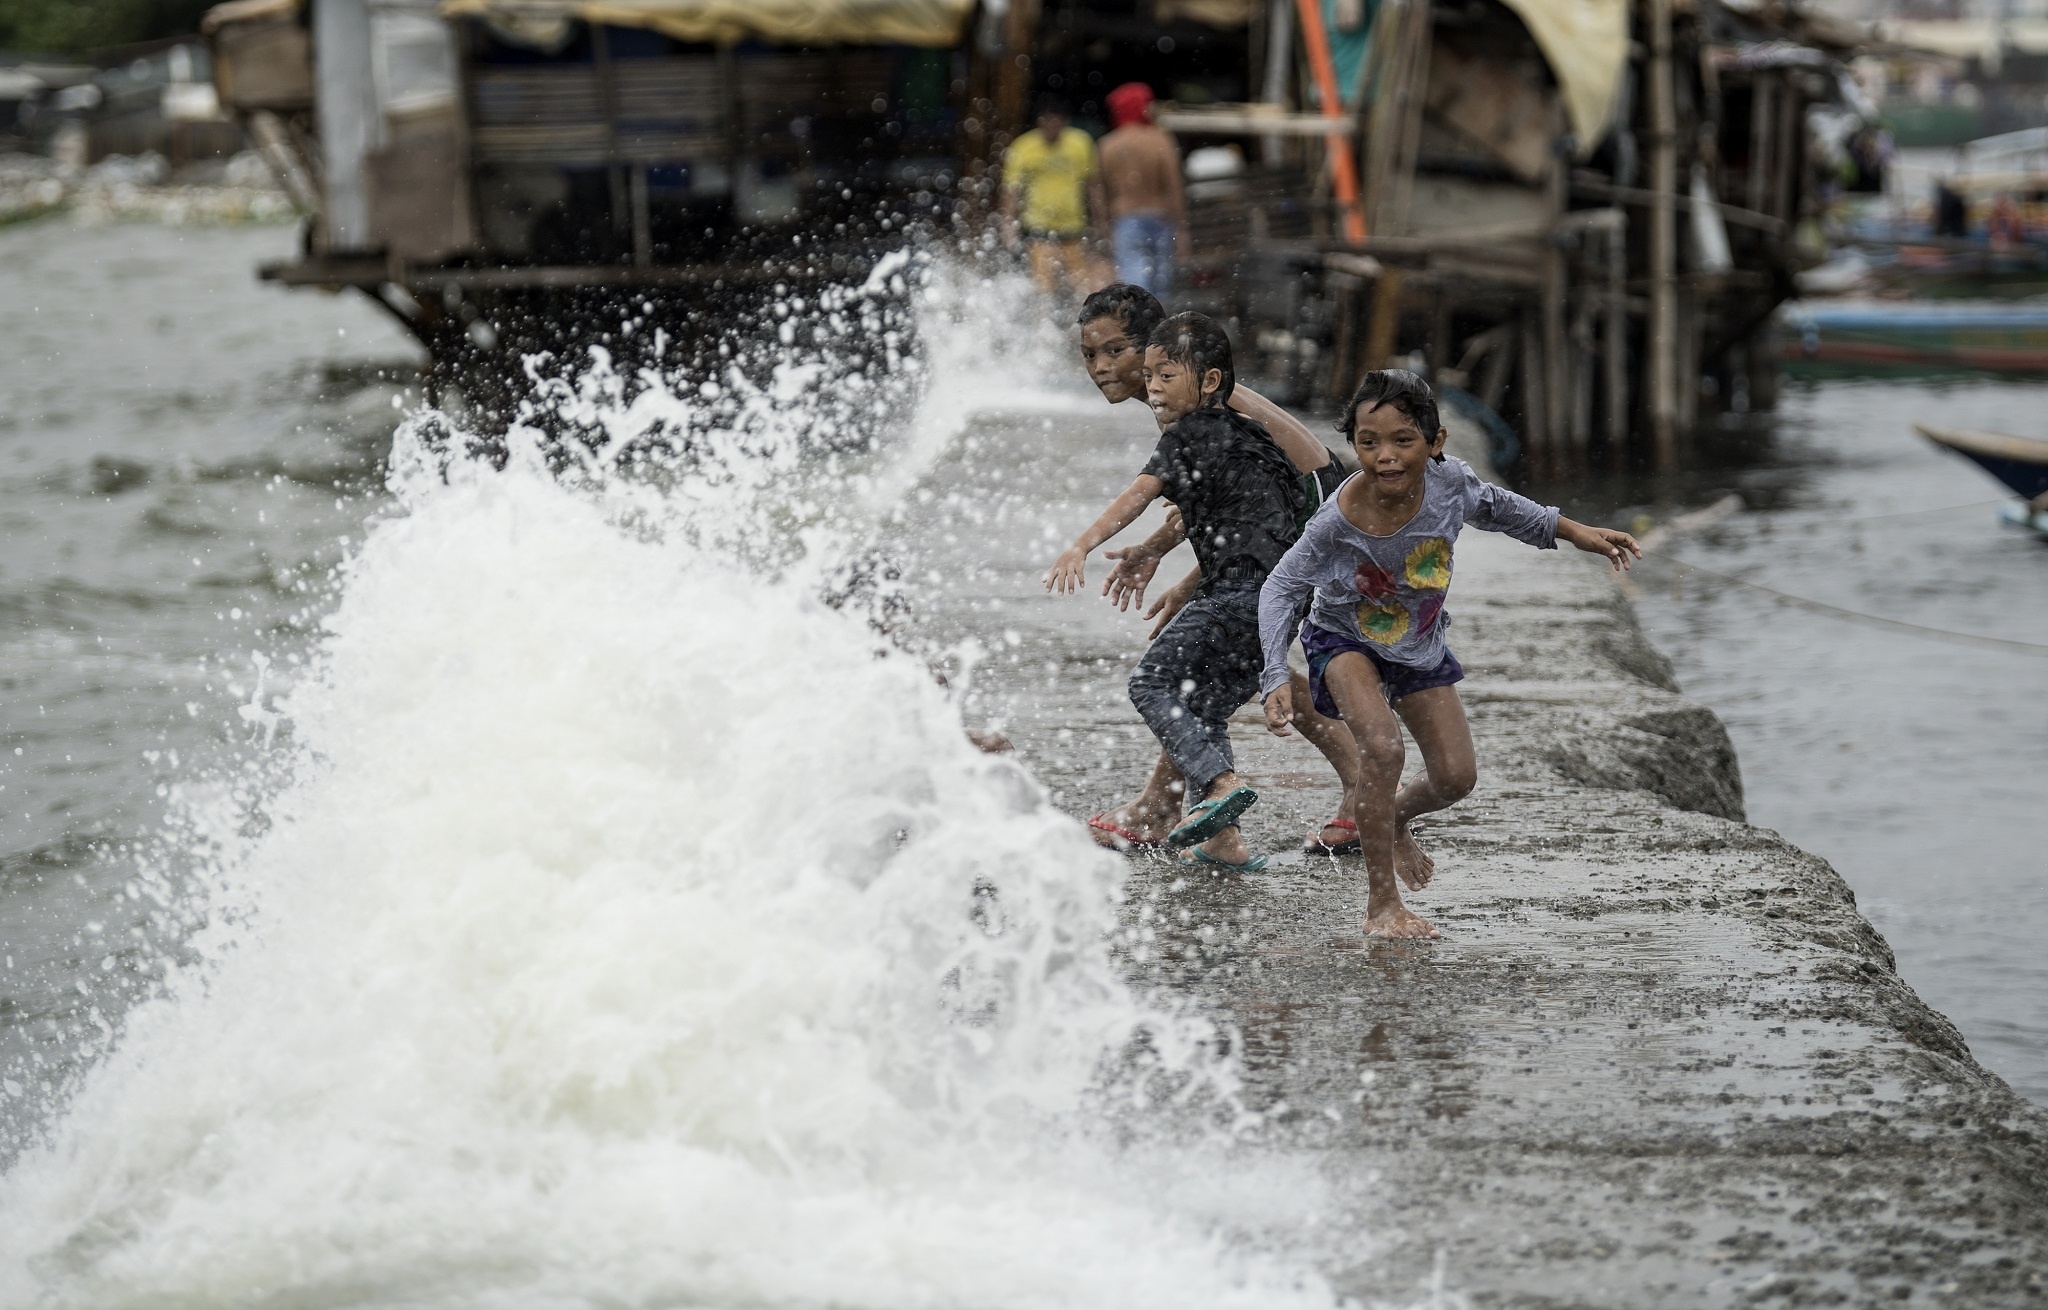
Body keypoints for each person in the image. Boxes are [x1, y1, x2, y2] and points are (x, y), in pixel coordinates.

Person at [1257, 370, 1641, 939]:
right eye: (1369, 443)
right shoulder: (1338, 519)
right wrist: (1273, 676)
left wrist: (1578, 532)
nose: (1385, 457)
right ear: (1354, 445)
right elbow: (1281, 587)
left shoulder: (1450, 485)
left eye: (1402, 441)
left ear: (1435, 443)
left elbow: (1504, 509)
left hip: (1420, 645)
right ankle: (1381, 906)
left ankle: (1390, 819)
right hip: (1344, 639)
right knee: (1383, 750)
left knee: (1457, 778)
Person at [1072, 284, 1365, 855]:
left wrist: (1186, 571)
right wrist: (1164, 550)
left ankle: (1365, 791)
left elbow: (1267, 503)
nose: (1102, 367)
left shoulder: (1200, 405)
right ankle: (1177, 805)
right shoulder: (1180, 400)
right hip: (1295, 516)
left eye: (1116, 351)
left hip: (1316, 509)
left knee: (1228, 656)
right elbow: (1217, 504)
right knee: (1229, 656)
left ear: (1157, 350)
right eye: (1090, 354)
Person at [1047, 313, 1306, 871]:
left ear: (1210, 382)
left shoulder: (1192, 432)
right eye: (1150, 375)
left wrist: (1081, 546)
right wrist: (1169, 562)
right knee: (1205, 707)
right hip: (1283, 602)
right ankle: (1225, 842)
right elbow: (1262, 519)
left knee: (1150, 682)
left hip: (1239, 593)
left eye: (1167, 375)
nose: (1154, 388)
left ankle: (1219, 783)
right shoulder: (1251, 439)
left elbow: (1140, 494)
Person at [1092, 83, 1187, 298]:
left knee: (1135, 285)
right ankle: (1160, 329)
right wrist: (1181, 228)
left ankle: (1140, 330)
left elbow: (1099, 194)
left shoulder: (1107, 145)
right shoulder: (1160, 139)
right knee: (1161, 287)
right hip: (1160, 217)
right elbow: (1174, 185)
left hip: (1125, 219)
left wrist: (1102, 228)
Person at [1002, 94, 1097, 299]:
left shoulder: (1080, 143)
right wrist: (1009, 224)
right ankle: (1043, 324)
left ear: (1065, 122)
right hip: (1038, 225)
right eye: (1048, 123)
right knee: (1044, 286)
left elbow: (1091, 185)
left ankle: (1080, 327)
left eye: (1057, 123)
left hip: (1072, 224)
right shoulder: (1023, 147)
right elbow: (1012, 190)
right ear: (1040, 122)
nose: (1052, 129)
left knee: (1080, 285)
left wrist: (1099, 218)